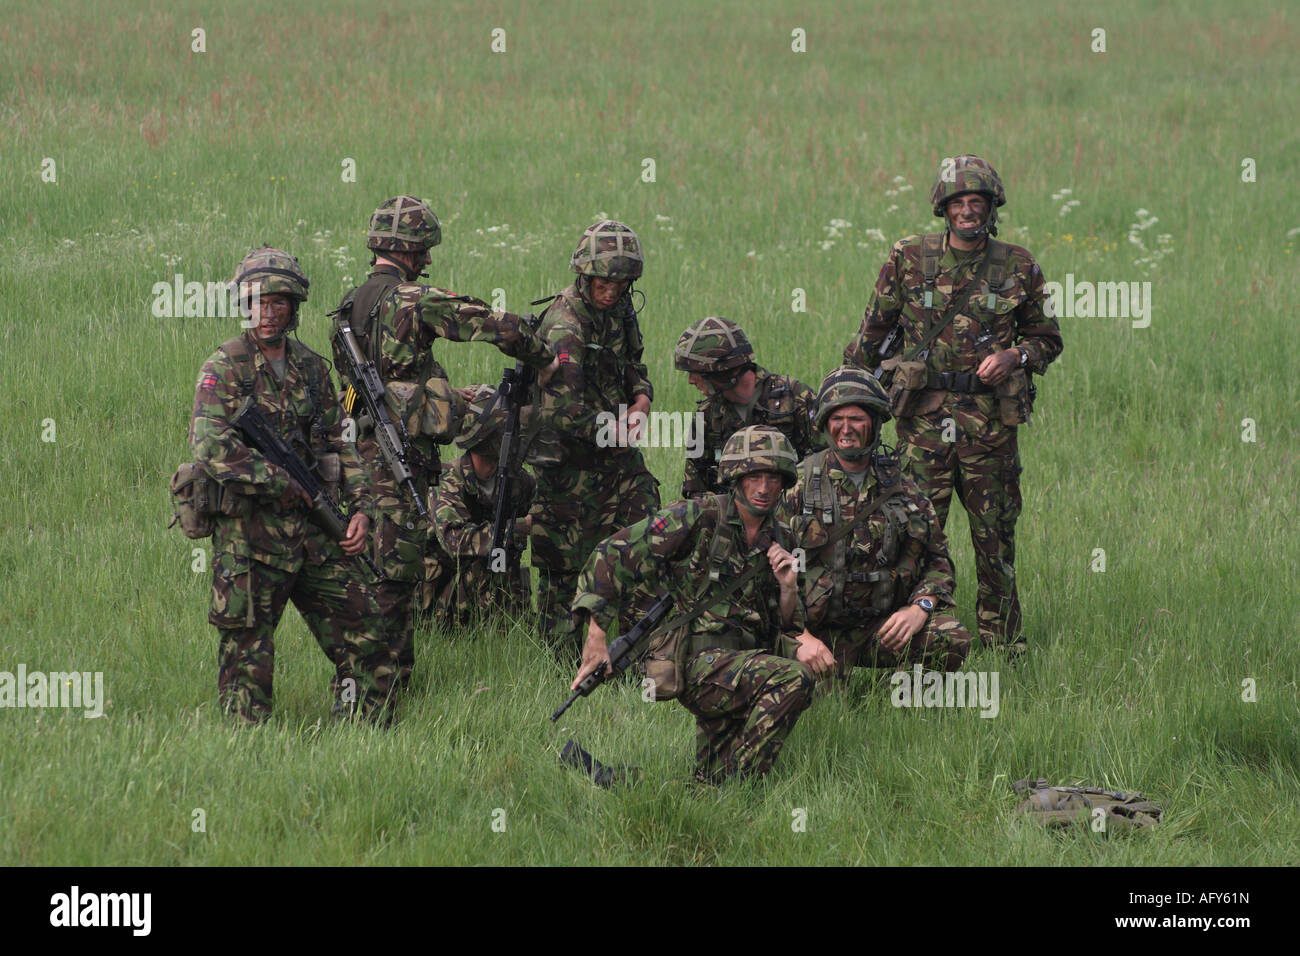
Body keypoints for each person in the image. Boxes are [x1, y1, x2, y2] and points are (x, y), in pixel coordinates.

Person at [331, 196, 556, 686]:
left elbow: (351, 394)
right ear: (407, 250)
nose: (428, 261)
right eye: (423, 251)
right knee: (397, 571)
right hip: (398, 457)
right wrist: (542, 355)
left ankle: (364, 681)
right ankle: (380, 690)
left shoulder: (350, 306)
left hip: (357, 454)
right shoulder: (412, 300)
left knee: (369, 564)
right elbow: (483, 321)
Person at [843, 155, 1063, 653]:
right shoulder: (908, 258)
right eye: (958, 203)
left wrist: (1016, 355)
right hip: (923, 427)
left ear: (991, 208)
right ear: (944, 209)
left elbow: (1048, 339)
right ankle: (924, 642)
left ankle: (1003, 643)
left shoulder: (1019, 265)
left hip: (990, 429)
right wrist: (848, 401)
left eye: (976, 202)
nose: (968, 211)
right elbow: (870, 336)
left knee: (996, 540)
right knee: (915, 538)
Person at [191, 246, 394, 723]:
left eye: (278, 303)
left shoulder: (312, 368)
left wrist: (361, 507)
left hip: (312, 530)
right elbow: (211, 448)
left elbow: (341, 442)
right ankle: (247, 750)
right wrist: (277, 480)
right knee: (247, 658)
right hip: (250, 536)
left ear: (294, 306)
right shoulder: (223, 368)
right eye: (257, 302)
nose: (267, 313)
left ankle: (368, 733)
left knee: (365, 634)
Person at [571, 426, 818, 784]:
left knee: (706, 783)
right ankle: (736, 783)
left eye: (772, 478)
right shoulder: (699, 516)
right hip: (694, 662)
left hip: (742, 667)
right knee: (794, 678)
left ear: (784, 482)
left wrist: (788, 588)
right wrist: (595, 636)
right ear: (736, 477)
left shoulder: (785, 537)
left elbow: (791, 627)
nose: (764, 488)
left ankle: (628, 784)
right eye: (754, 477)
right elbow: (613, 554)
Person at [783, 368, 970, 680]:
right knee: (806, 699)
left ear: (874, 422)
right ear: (825, 424)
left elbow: (938, 561)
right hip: (815, 634)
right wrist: (799, 636)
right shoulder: (797, 486)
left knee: (950, 637)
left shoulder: (902, 487)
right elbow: (763, 568)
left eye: (856, 419)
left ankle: (901, 701)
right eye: (837, 419)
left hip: (881, 629)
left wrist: (920, 607)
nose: (846, 429)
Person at [528, 220, 660, 660]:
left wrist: (641, 399)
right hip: (568, 462)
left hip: (615, 455)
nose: (612, 291)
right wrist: (614, 429)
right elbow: (560, 411)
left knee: (645, 536)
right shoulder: (566, 324)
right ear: (585, 277)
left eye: (621, 284)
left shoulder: (621, 311)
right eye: (604, 282)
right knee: (564, 564)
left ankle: (638, 646)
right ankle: (558, 661)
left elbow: (634, 364)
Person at [673, 316, 820, 499]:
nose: (691, 381)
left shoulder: (796, 397)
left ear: (724, 371)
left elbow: (827, 461)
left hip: (790, 513)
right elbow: (694, 486)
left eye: (697, 373)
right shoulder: (707, 414)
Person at [428, 384, 535, 625]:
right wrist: (520, 527)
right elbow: (454, 540)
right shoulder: (446, 481)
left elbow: (543, 506)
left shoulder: (516, 481)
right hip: (444, 601)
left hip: (492, 599)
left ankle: (514, 626)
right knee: (487, 549)